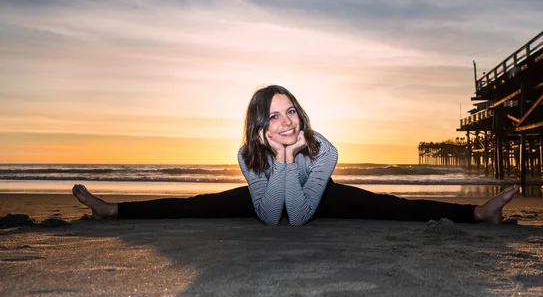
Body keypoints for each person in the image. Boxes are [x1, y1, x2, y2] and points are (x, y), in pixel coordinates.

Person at [73, 85, 519, 225]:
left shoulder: (324, 148)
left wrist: (293, 160)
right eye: (273, 117)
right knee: (196, 206)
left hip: (320, 196)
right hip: (265, 195)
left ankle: (478, 214)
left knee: (389, 205)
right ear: (258, 126)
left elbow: (301, 215)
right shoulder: (249, 156)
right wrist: (282, 161)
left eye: (290, 111)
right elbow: (272, 217)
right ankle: (112, 210)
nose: (286, 123)